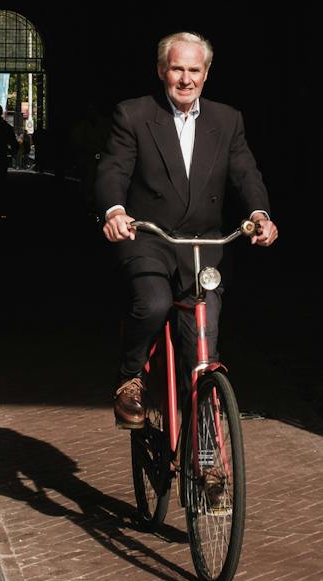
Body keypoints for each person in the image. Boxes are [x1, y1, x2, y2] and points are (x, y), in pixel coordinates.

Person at [96, 31, 277, 429]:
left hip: (203, 245)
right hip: (148, 238)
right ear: (162, 71)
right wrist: (114, 211)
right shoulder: (134, 114)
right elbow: (114, 168)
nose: (185, 79)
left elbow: (246, 173)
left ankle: (208, 457)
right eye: (177, 68)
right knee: (154, 303)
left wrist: (261, 214)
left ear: (206, 73)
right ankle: (130, 379)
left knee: (203, 345)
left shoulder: (227, 120)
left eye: (194, 69)